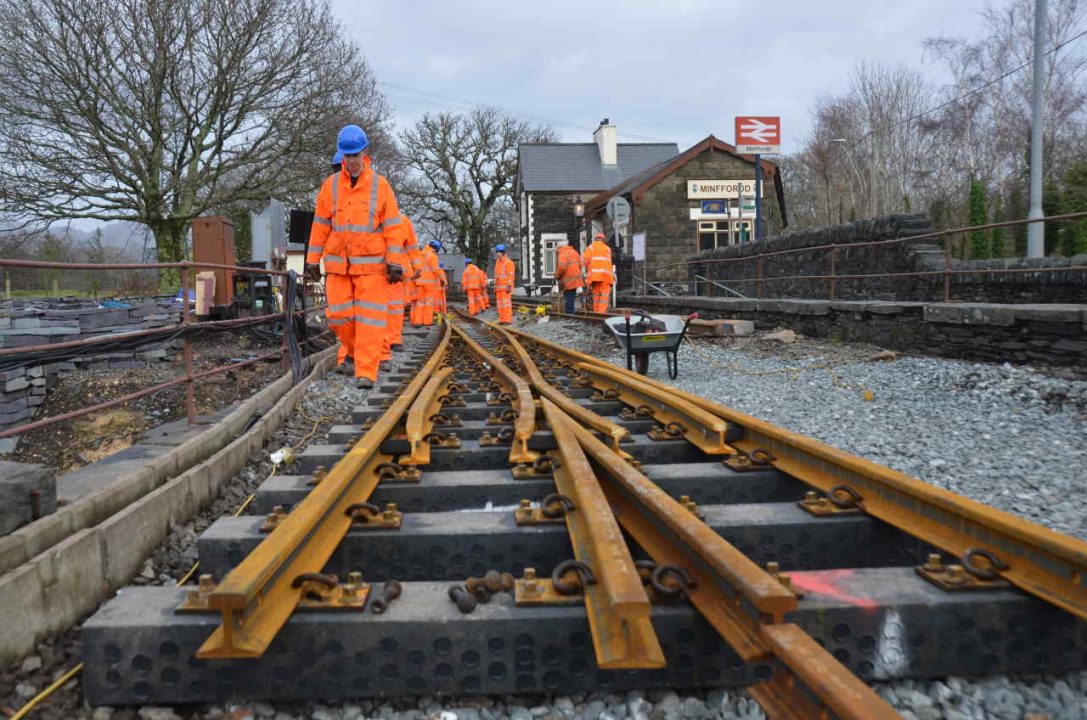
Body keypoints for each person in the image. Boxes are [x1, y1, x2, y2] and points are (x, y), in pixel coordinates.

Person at [306, 124, 403, 389]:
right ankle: (349, 352)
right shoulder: (330, 186)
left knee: (370, 320)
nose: (352, 161)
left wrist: (395, 261)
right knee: (338, 317)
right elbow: (320, 225)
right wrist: (312, 260)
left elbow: (394, 228)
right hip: (338, 266)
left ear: (365, 153)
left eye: (356, 155)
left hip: (372, 268)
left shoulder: (381, 187)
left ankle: (366, 372)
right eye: (347, 156)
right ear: (342, 156)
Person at [582, 232, 615, 313]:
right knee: (604, 296)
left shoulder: (591, 248)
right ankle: (601, 312)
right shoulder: (608, 249)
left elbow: (584, 262)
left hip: (595, 277)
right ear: (603, 240)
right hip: (606, 276)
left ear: (595, 239)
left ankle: (596, 312)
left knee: (596, 295)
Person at [415, 240, 442, 325]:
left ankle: (418, 321)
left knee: (420, 303)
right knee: (429, 302)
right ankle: (427, 321)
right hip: (429, 283)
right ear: (436, 249)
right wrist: (442, 279)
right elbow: (436, 270)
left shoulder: (419, 254)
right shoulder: (432, 256)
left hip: (419, 282)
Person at [554, 240, 584, 313]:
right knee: (571, 296)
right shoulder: (574, 252)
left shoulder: (562, 254)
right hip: (576, 279)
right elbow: (580, 264)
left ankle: (569, 313)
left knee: (568, 297)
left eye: (557, 248)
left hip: (567, 279)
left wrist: (557, 275)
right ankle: (570, 312)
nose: (557, 250)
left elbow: (562, 268)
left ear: (560, 247)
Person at [493, 244, 515, 324]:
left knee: (506, 305)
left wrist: (509, 286)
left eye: (499, 252)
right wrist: (495, 286)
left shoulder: (508, 263)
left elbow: (511, 275)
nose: (497, 254)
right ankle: (502, 319)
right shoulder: (497, 263)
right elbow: (497, 276)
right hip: (499, 288)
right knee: (500, 305)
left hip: (505, 288)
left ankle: (507, 320)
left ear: (503, 253)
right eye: (497, 252)